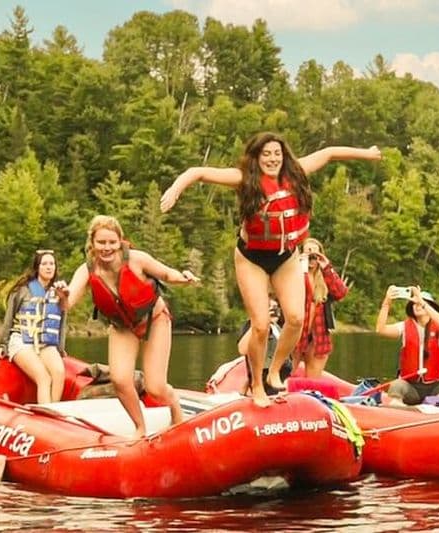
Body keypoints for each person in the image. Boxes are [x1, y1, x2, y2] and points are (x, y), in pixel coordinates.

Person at [161, 132, 381, 407]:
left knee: (296, 318)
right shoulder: (243, 178)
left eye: (277, 153)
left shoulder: (296, 171)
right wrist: (175, 189)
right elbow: (198, 172)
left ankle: (275, 371)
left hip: (285, 255)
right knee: (261, 326)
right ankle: (256, 385)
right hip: (252, 257)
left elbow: (330, 152)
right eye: (266, 154)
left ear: (284, 155)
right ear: (256, 157)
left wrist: (368, 153)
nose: (272, 158)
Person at [56, 215, 199, 438]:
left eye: (112, 242)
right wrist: (62, 296)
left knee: (155, 388)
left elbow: (167, 273)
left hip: (155, 320)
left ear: (121, 241)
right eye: (101, 242)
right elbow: (67, 304)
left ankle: (176, 411)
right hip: (122, 327)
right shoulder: (86, 270)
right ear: (92, 244)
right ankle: (140, 427)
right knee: (120, 380)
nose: (107, 248)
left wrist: (184, 278)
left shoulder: (136, 259)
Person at [0, 249, 67, 404]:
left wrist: (60, 348)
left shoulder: (58, 292)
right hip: (21, 340)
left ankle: (53, 413)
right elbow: (9, 318)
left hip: (44, 342)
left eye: (52, 264)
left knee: (59, 373)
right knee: (44, 378)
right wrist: (3, 344)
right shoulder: (22, 290)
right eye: (45, 264)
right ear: (37, 267)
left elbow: (61, 322)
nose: (49, 267)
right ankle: (47, 416)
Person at [375, 285, 439, 406]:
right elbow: (380, 329)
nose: (417, 305)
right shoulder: (404, 327)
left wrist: (421, 300)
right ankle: (400, 409)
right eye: (414, 303)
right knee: (396, 385)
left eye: (422, 303)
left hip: (437, 387)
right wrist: (387, 303)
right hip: (411, 387)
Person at [294, 237, 350, 378]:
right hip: (296, 333)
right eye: (308, 253)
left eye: (315, 254)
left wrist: (326, 267)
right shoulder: (295, 274)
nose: (312, 257)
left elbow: (341, 292)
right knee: (287, 376)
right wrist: (301, 266)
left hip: (318, 335)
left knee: (313, 381)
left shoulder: (325, 277)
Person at [238, 296, 293, 395]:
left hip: (281, 376)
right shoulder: (252, 327)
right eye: (269, 307)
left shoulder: (279, 329)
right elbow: (242, 350)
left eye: (275, 308)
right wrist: (260, 321)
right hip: (265, 381)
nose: (273, 311)